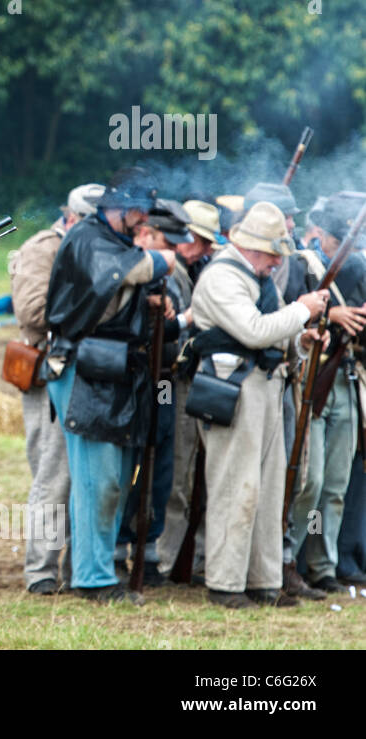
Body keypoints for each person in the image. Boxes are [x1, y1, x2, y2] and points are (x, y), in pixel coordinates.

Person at [43, 167, 173, 605]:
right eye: (138, 210)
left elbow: (118, 292)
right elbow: (120, 274)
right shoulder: (87, 238)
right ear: (119, 208)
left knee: (113, 480)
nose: (143, 219)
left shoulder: (111, 240)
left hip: (109, 371)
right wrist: (160, 262)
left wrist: (150, 303)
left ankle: (92, 569)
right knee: (98, 483)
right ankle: (93, 578)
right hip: (83, 370)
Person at [189, 201, 328, 608]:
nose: (275, 263)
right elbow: (252, 331)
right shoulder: (222, 278)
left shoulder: (255, 275)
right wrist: (303, 310)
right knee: (237, 486)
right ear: (253, 248)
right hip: (233, 388)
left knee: (267, 491)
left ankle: (264, 581)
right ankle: (226, 584)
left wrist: (301, 340)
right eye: (272, 254)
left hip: (265, 386)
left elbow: (274, 329)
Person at [7, 183, 101, 595]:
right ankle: (42, 570)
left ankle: (79, 567)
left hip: (88, 369)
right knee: (53, 473)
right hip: (50, 370)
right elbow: (31, 312)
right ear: (73, 218)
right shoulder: (44, 248)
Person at [288, 191, 366, 594]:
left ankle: (323, 566)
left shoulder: (360, 268)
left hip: (345, 377)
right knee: (310, 481)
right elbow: (286, 312)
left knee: (335, 485)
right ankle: (288, 560)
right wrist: (329, 313)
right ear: (329, 238)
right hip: (311, 382)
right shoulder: (302, 265)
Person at [114, 199, 195, 585]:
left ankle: (146, 549)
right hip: (133, 376)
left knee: (160, 461)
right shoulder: (131, 262)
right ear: (147, 234)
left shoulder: (172, 269)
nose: (176, 248)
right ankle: (115, 549)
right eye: (168, 239)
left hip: (163, 380)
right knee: (127, 463)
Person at [156, 199, 224, 579]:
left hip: (199, 379)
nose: (208, 250)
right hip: (178, 382)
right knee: (178, 475)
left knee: (196, 473)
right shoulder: (172, 273)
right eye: (202, 241)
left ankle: (189, 558)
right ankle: (166, 559)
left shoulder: (200, 269)